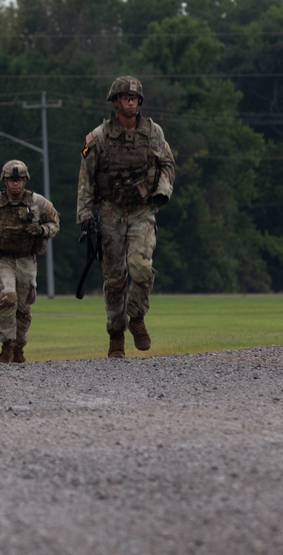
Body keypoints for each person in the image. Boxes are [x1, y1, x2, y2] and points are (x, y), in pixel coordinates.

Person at [76, 76, 176, 358]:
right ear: (116, 102)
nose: (131, 102)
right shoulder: (99, 137)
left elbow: (167, 164)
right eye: (125, 97)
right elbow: (86, 176)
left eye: (135, 98)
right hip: (111, 211)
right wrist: (84, 214)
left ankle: (137, 317)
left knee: (142, 268)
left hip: (143, 209)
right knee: (115, 279)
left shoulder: (153, 133)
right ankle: (115, 334)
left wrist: (162, 191)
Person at [0, 160, 60, 364]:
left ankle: (19, 347)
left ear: (24, 180)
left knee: (23, 308)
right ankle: (7, 345)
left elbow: (55, 223)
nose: (15, 184)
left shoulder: (38, 203)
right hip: (3, 259)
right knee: (8, 297)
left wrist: (41, 231)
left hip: (26, 260)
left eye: (19, 180)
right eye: (11, 180)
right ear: (5, 181)